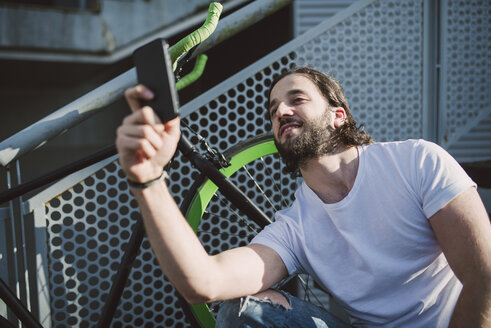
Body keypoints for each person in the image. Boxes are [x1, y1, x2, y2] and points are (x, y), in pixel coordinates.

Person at [116, 66, 491, 327]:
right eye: (273, 108)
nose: (280, 110)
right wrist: (148, 179)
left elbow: (484, 276)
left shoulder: (416, 162)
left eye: (297, 98)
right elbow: (204, 283)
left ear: (337, 115)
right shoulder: (296, 228)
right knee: (249, 308)